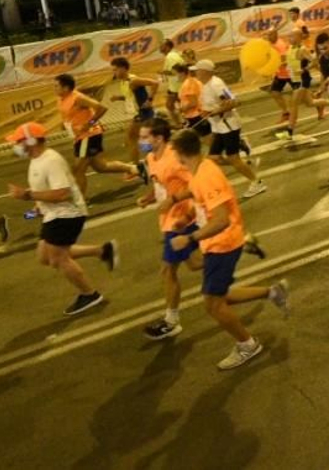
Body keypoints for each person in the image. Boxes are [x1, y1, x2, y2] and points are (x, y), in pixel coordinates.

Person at [165, 129, 289, 369]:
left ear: (180, 153)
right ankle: (274, 292)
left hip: (223, 244)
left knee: (213, 305)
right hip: (216, 243)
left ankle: (248, 344)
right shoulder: (200, 168)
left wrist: (189, 238)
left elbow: (221, 219)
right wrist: (186, 217)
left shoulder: (206, 175)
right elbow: (199, 199)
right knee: (219, 295)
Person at [5, 121, 116, 315]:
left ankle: (90, 294)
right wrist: (38, 206)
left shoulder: (51, 161)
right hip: (53, 214)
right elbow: (46, 189)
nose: (16, 146)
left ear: (31, 141)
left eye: (19, 141)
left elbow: (62, 194)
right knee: (44, 256)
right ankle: (102, 251)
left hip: (67, 214)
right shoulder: (36, 160)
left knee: (58, 258)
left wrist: (27, 195)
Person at [53, 73, 141, 197]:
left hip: (89, 135)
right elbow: (68, 115)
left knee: (78, 169)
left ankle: (80, 201)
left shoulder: (77, 98)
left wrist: (89, 124)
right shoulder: (60, 99)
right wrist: (65, 125)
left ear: (66, 88)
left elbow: (101, 108)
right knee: (101, 167)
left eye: (56, 86)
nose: (54, 88)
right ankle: (133, 169)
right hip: (79, 137)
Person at [193, 61, 267, 198]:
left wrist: (215, 112)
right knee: (214, 158)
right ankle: (247, 165)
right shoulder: (205, 85)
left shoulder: (216, 84)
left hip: (228, 126)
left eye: (197, 70)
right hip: (218, 127)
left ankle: (257, 182)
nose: (195, 73)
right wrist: (205, 112)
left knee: (233, 158)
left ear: (205, 71)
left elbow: (234, 102)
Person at [104, 56, 159, 165]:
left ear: (123, 68)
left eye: (115, 70)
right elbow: (130, 97)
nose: (114, 73)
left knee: (135, 138)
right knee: (136, 138)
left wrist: (150, 100)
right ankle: (144, 162)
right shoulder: (123, 82)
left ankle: (140, 165)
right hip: (137, 114)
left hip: (144, 113)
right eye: (113, 70)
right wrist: (118, 98)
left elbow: (155, 83)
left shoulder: (134, 80)